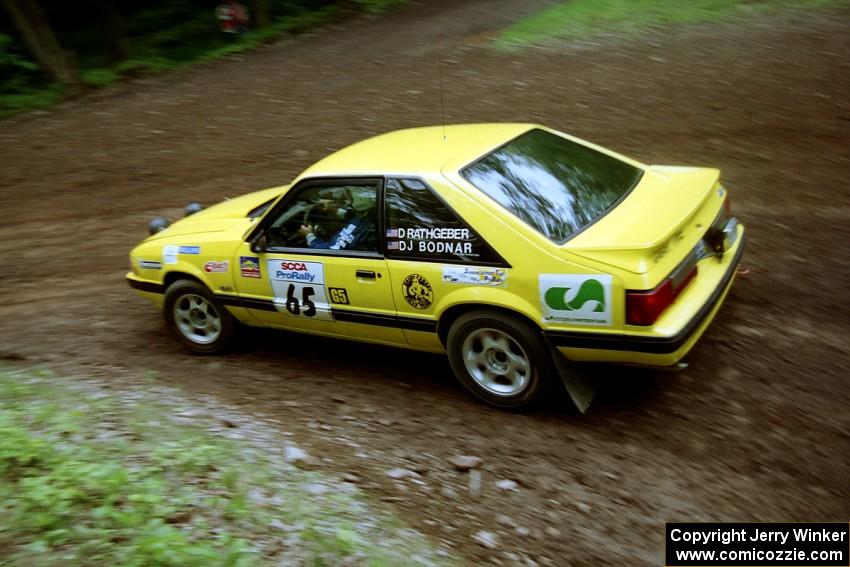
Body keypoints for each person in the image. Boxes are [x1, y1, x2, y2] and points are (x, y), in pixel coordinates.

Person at [298, 198, 376, 251]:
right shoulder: (360, 220)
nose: (346, 201)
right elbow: (352, 216)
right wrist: (334, 211)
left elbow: (330, 251)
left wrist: (309, 236)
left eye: (349, 197)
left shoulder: (354, 226)